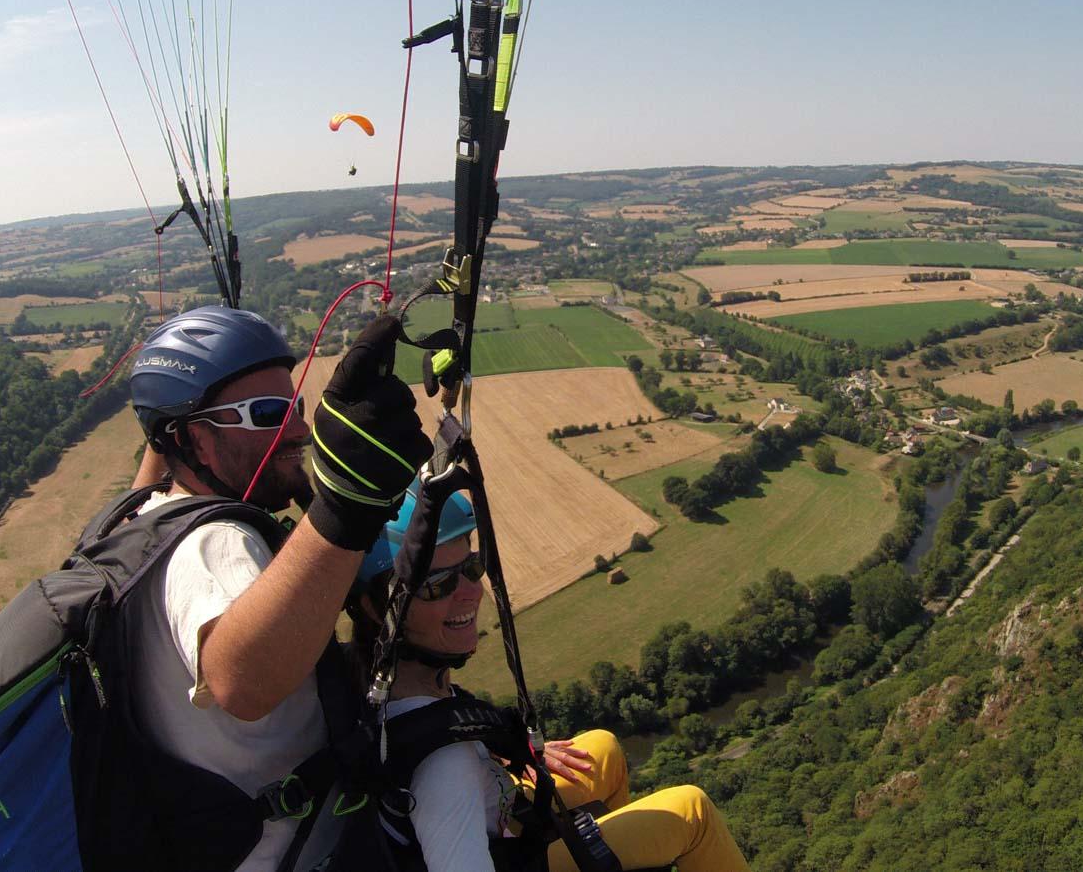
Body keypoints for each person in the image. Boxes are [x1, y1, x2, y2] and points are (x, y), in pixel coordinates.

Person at [121, 305, 433, 871]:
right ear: (196, 438)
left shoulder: (141, 518)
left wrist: (195, 392)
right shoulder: (214, 543)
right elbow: (240, 678)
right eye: (267, 412)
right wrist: (347, 508)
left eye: (294, 405)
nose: (299, 429)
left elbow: (160, 451)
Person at [347, 488, 754, 872]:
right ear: (374, 606)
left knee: (604, 751)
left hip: (499, 811)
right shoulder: (444, 770)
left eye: (471, 567)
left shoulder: (375, 677)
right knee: (692, 812)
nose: (472, 593)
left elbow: (431, 732)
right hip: (507, 852)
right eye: (438, 584)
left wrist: (500, 753)